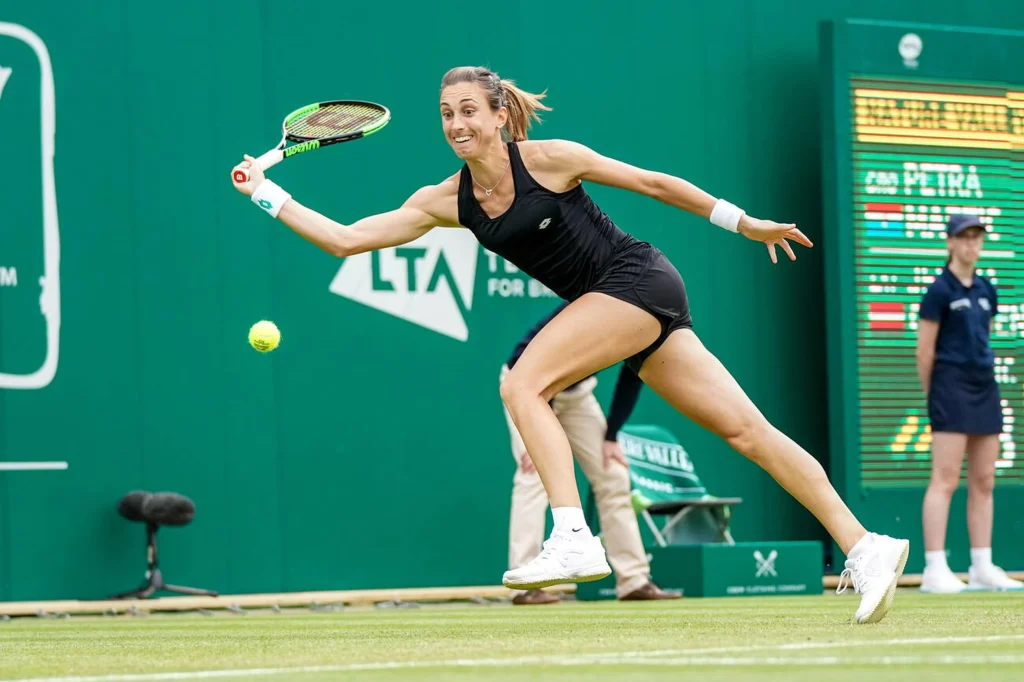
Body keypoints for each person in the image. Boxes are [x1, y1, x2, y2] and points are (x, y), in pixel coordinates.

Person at [231, 65, 910, 624]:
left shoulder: (551, 161)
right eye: (446, 113)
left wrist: (745, 223)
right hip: (628, 311)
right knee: (748, 433)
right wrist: (266, 193)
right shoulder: (446, 200)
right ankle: (866, 544)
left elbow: (653, 183)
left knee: (523, 383)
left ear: (500, 115)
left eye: (469, 110)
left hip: (637, 280)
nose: (457, 124)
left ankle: (572, 537)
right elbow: (347, 239)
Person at [501, 301, 682, 604]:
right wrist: (535, 431)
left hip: (577, 394)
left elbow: (633, 377)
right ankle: (527, 582)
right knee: (535, 475)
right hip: (526, 386)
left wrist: (611, 437)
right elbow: (526, 365)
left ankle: (634, 581)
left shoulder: (643, 320)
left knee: (613, 475)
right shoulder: (586, 309)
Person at [916, 214, 1024, 594]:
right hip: (949, 387)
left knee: (984, 480)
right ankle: (934, 568)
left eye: (977, 237)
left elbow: (984, 338)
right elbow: (925, 351)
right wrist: (935, 394)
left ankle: (981, 565)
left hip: (984, 387)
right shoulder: (938, 291)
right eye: (964, 237)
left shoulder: (986, 288)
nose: (971, 244)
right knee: (944, 480)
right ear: (950, 242)